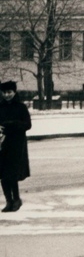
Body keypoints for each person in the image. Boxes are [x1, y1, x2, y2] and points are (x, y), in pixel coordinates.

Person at [0, 81, 31, 213]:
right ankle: (8, 201)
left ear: (14, 92)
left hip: (16, 145)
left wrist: (13, 124)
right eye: (4, 92)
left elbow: (27, 125)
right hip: (2, 144)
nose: (7, 95)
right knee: (2, 174)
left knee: (12, 174)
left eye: (9, 92)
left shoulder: (21, 107)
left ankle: (16, 200)